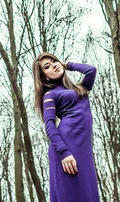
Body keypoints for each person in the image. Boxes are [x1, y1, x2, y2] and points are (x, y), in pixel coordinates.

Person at [32, 52, 100, 202]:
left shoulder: (80, 88)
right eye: (47, 66)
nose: (54, 65)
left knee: (88, 193)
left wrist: (66, 65)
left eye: (54, 61)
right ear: (45, 77)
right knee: (73, 194)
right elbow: (49, 124)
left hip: (84, 148)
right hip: (67, 147)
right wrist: (64, 152)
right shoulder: (50, 95)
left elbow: (91, 70)